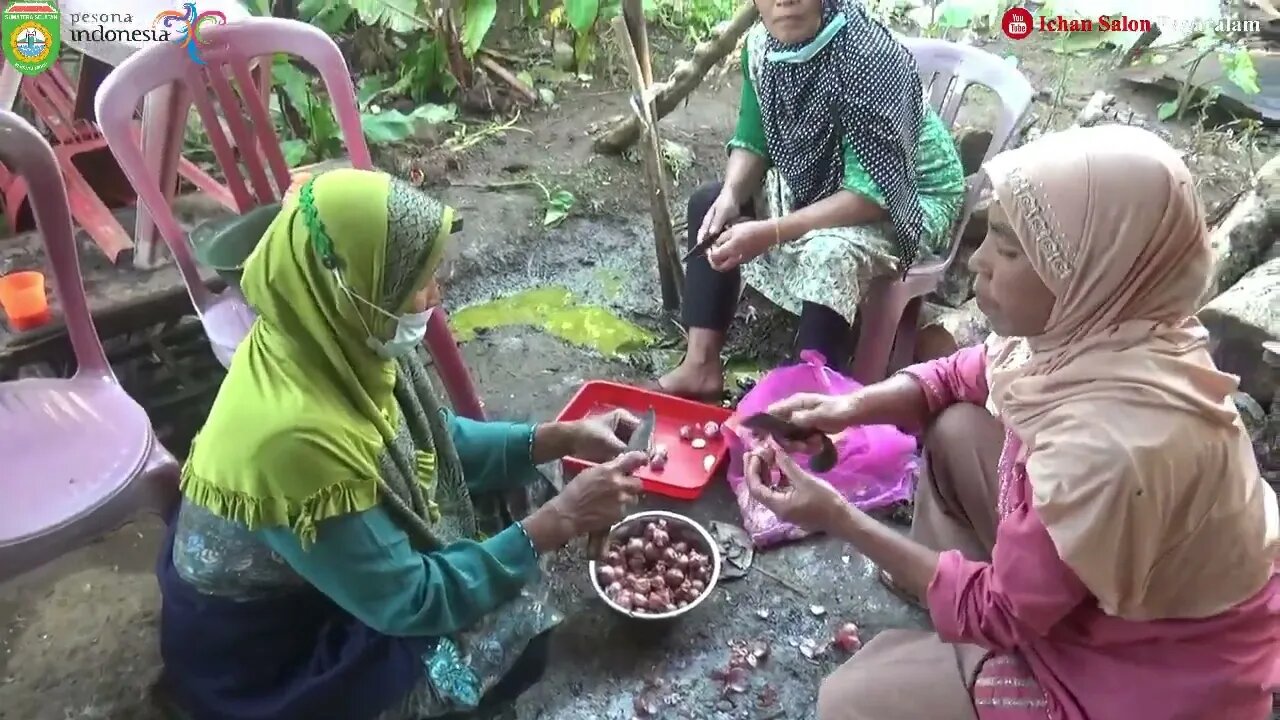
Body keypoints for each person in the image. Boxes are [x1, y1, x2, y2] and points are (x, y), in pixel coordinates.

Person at [743, 125, 1280, 718]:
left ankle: (986, 650)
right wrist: (848, 407)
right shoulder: (1107, 326)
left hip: (1148, 672)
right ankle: (952, 610)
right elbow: (963, 373)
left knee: (850, 703)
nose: (977, 261)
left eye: (1007, 245)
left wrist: (836, 515)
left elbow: (1001, 609)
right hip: (1089, 590)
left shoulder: (1112, 448)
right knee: (954, 429)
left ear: (1082, 265)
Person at [155, 168, 649, 720]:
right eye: (418, 282)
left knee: (519, 486)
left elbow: (430, 439)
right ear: (349, 285)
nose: (434, 296)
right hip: (269, 658)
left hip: (324, 574)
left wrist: (559, 437)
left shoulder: (330, 337)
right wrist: (560, 519)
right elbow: (415, 600)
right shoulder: (293, 441)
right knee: (516, 616)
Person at [657, 0, 965, 400]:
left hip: (907, 198)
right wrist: (733, 195)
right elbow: (753, 139)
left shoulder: (869, 58)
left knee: (828, 254)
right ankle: (700, 366)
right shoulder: (760, 47)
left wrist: (772, 231)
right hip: (823, 178)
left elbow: (871, 194)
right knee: (711, 203)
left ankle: (809, 404)